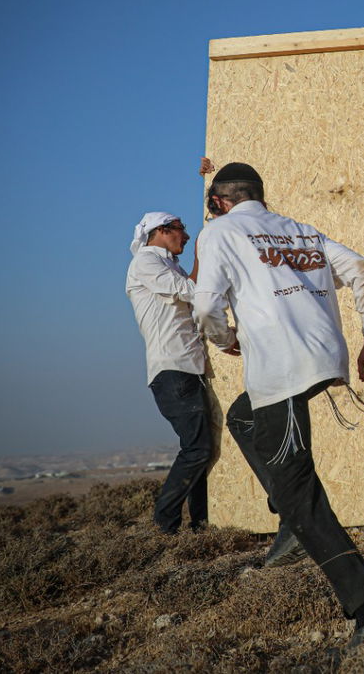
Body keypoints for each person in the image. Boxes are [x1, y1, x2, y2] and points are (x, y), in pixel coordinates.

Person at [192, 162, 364, 644]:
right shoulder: (298, 230)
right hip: (324, 354)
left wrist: (225, 338)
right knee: (243, 417)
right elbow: (361, 268)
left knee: (300, 492)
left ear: (218, 202)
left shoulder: (220, 232)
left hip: (281, 367)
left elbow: (205, 306)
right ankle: (288, 511)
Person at [125, 211, 221, 533]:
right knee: (197, 449)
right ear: (163, 230)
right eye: (182, 230)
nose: (187, 235)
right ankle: (165, 524)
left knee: (201, 449)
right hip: (173, 369)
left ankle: (200, 524)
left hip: (187, 369)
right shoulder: (146, 263)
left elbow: (191, 288)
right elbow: (193, 291)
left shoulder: (169, 265)